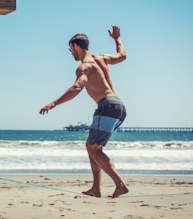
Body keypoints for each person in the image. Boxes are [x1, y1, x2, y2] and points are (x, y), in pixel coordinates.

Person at [39, 25, 129, 198]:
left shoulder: (84, 66)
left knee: (95, 150)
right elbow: (122, 56)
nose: (71, 53)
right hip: (119, 107)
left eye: (70, 49)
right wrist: (117, 38)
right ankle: (96, 188)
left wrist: (54, 103)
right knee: (91, 147)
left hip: (107, 107)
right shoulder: (101, 58)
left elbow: (77, 87)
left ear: (75, 46)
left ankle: (120, 185)